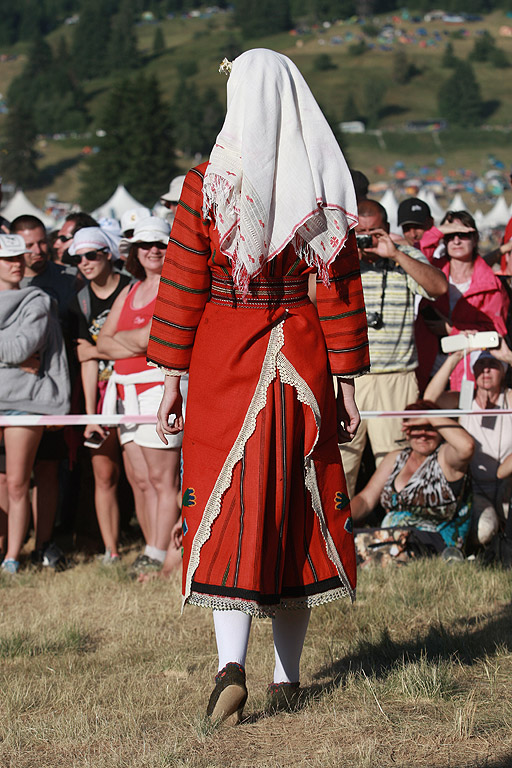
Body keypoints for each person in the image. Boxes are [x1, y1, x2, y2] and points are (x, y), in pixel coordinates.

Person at [147, 48, 370, 722]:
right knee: (297, 503)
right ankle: (287, 676)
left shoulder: (206, 184)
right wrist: (349, 384)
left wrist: (170, 379)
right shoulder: (321, 185)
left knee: (232, 498)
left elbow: (184, 281)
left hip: (224, 352)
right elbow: (337, 290)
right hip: (299, 355)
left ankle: (229, 666)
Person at [339, 198, 448, 497]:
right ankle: (342, 534)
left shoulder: (404, 256)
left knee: (398, 460)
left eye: (373, 232)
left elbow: (438, 288)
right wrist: (343, 252)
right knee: (343, 461)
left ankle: (399, 531)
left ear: (386, 230)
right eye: (359, 231)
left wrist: (396, 253)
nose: (365, 238)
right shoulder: (342, 257)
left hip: (396, 377)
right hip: (351, 379)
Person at [97, 216, 185, 575]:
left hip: (160, 391)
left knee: (163, 481)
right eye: (145, 245)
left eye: (160, 244)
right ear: (134, 251)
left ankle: (161, 554)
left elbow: (155, 339)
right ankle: (154, 551)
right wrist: (140, 344)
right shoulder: (130, 290)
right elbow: (101, 341)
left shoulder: (176, 288)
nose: (153, 250)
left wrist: (128, 343)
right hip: (126, 394)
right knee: (140, 480)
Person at [11, 214, 78, 569]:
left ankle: (45, 543)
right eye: (28, 245)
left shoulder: (67, 281)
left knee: (49, 469)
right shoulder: (7, 284)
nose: (37, 251)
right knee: (11, 475)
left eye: (42, 242)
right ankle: (11, 545)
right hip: (11, 395)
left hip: (52, 389)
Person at [68, 227, 132, 564]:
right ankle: (112, 550)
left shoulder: (130, 288)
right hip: (103, 394)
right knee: (104, 474)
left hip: (136, 388)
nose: (84, 262)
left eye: (91, 254)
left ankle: (157, 547)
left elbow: (139, 345)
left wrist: (100, 349)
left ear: (108, 253)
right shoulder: (80, 299)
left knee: (141, 476)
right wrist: (91, 415)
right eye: (78, 257)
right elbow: (84, 359)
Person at [351, 401, 474, 567]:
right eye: (417, 428)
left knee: (369, 548)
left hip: (433, 540)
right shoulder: (395, 458)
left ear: (439, 431)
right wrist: (340, 518)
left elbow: (467, 446)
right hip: (389, 536)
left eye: (428, 428)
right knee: (346, 539)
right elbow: (366, 499)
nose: (423, 435)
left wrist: (432, 417)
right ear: (407, 431)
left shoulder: (445, 458)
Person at [424, 344, 512, 548]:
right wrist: (455, 357)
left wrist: (508, 355)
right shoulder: (465, 399)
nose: (486, 370)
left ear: (504, 369)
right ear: (473, 370)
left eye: (493, 364)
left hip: (507, 485)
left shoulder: (509, 397)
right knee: (484, 529)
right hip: (475, 490)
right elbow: (428, 402)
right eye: (481, 364)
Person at [416, 210, 509, 392]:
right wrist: (439, 230)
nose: (456, 240)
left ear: (475, 239)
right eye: (450, 235)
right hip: (427, 365)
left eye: (463, 235)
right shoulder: (431, 270)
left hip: (469, 370)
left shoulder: (491, 282)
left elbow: (496, 332)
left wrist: (452, 330)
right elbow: (415, 253)